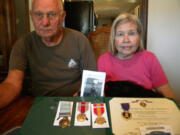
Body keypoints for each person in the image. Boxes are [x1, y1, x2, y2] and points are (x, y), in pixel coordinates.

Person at [0, 0, 96, 109]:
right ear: (31, 16)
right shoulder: (23, 44)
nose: (45, 22)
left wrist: (81, 96)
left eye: (52, 14)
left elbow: (92, 81)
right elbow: (12, 84)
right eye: (38, 15)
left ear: (62, 16)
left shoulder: (80, 41)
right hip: (39, 106)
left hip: (73, 104)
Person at [97, 13, 176, 99]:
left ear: (139, 37)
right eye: (120, 34)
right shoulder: (103, 60)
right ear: (113, 38)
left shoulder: (150, 58)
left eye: (131, 34)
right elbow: (98, 97)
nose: (126, 40)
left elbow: (170, 98)